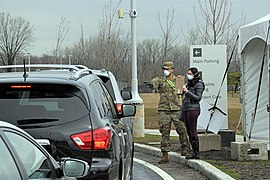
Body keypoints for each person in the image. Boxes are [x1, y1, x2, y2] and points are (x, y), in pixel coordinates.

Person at [152, 61, 190, 164]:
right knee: (164, 132)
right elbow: (154, 85)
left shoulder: (178, 80)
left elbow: (182, 93)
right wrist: (154, 83)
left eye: (167, 69)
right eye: (164, 69)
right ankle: (165, 155)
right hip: (164, 109)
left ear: (172, 70)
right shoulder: (160, 80)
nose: (165, 71)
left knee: (182, 130)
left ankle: (184, 148)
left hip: (176, 109)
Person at [181, 67, 205, 159]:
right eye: (188, 73)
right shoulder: (189, 84)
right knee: (189, 131)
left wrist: (187, 92)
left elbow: (198, 98)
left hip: (193, 109)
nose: (188, 75)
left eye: (190, 73)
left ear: (195, 74)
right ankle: (193, 151)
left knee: (193, 130)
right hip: (187, 108)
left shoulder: (199, 84)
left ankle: (196, 152)